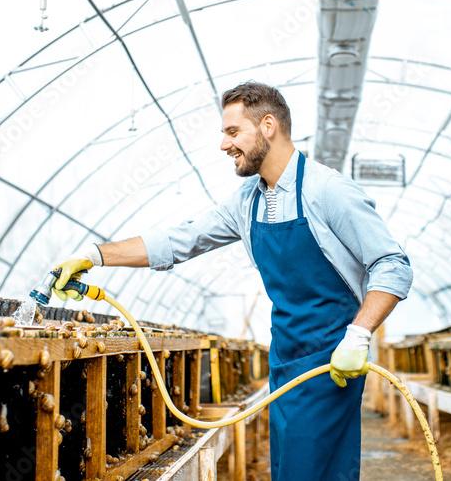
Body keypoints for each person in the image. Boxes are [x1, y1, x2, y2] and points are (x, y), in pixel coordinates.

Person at [51, 81, 412, 481]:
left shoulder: (327, 191)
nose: (224, 145)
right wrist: (96, 255)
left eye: (232, 131)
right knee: (289, 469)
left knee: (311, 471)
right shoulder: (248, 200)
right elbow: (181, 239)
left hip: (331, 359)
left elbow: (393, 264)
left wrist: (358, 336)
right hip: (285, 359)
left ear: (268, 126)